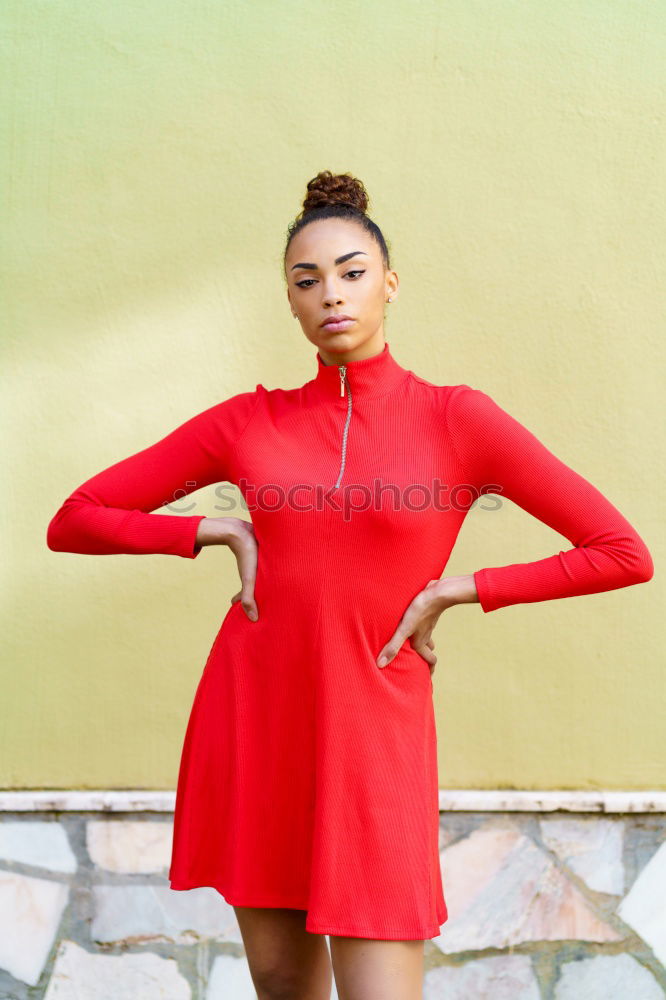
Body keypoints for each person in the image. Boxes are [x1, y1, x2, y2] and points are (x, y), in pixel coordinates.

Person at [46, 169, 654, 999]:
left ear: (390, 284)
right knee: (281, 985)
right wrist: (212, 528)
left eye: (351, 271)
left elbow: (620, 550)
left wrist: (458, 589)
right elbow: (76, 517)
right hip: (257, 715)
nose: (331, 294)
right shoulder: (246, 422)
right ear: (290, 302)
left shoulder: (457, 419)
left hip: (377, 727)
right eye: (307, 281)